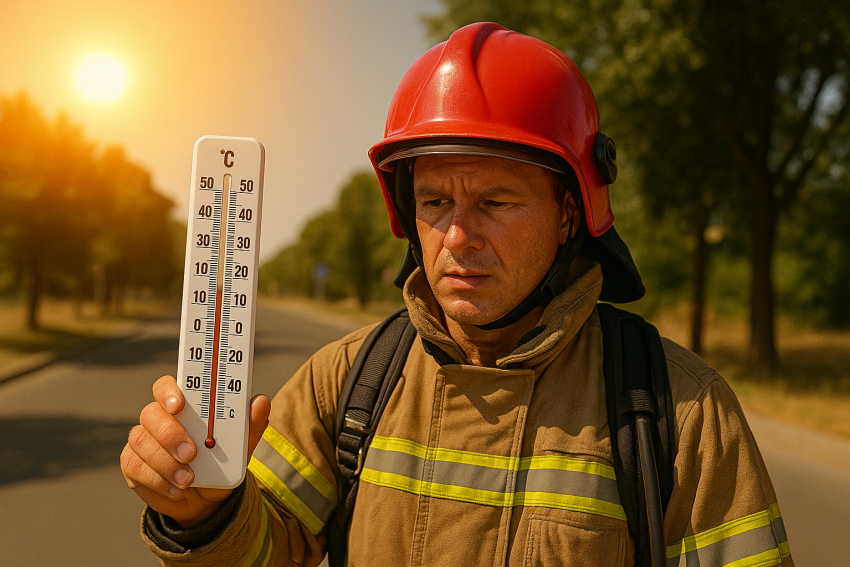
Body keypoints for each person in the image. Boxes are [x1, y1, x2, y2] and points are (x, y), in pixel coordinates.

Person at [121, 22, 793, 567]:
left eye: (496, 200)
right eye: (436, 199)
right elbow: (266, 553)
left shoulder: (682, 413)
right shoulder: (346, 382)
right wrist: (203, 513)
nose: (459, 234)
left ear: (568, 213)